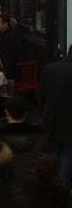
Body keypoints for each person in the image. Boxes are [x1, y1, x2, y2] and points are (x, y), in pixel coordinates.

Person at [0, 95, 45, 202]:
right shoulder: (39, 135)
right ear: (26, 114)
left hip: (6, 190)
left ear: (7, 113)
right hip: (32, 188)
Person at [38, 46, 72, 188]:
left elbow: (41, 95)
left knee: (52, 153)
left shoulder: (50, 68)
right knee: (67, 156)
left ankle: (50, 186)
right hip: (69, 123)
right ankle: (62, 188)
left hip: (50, 119)